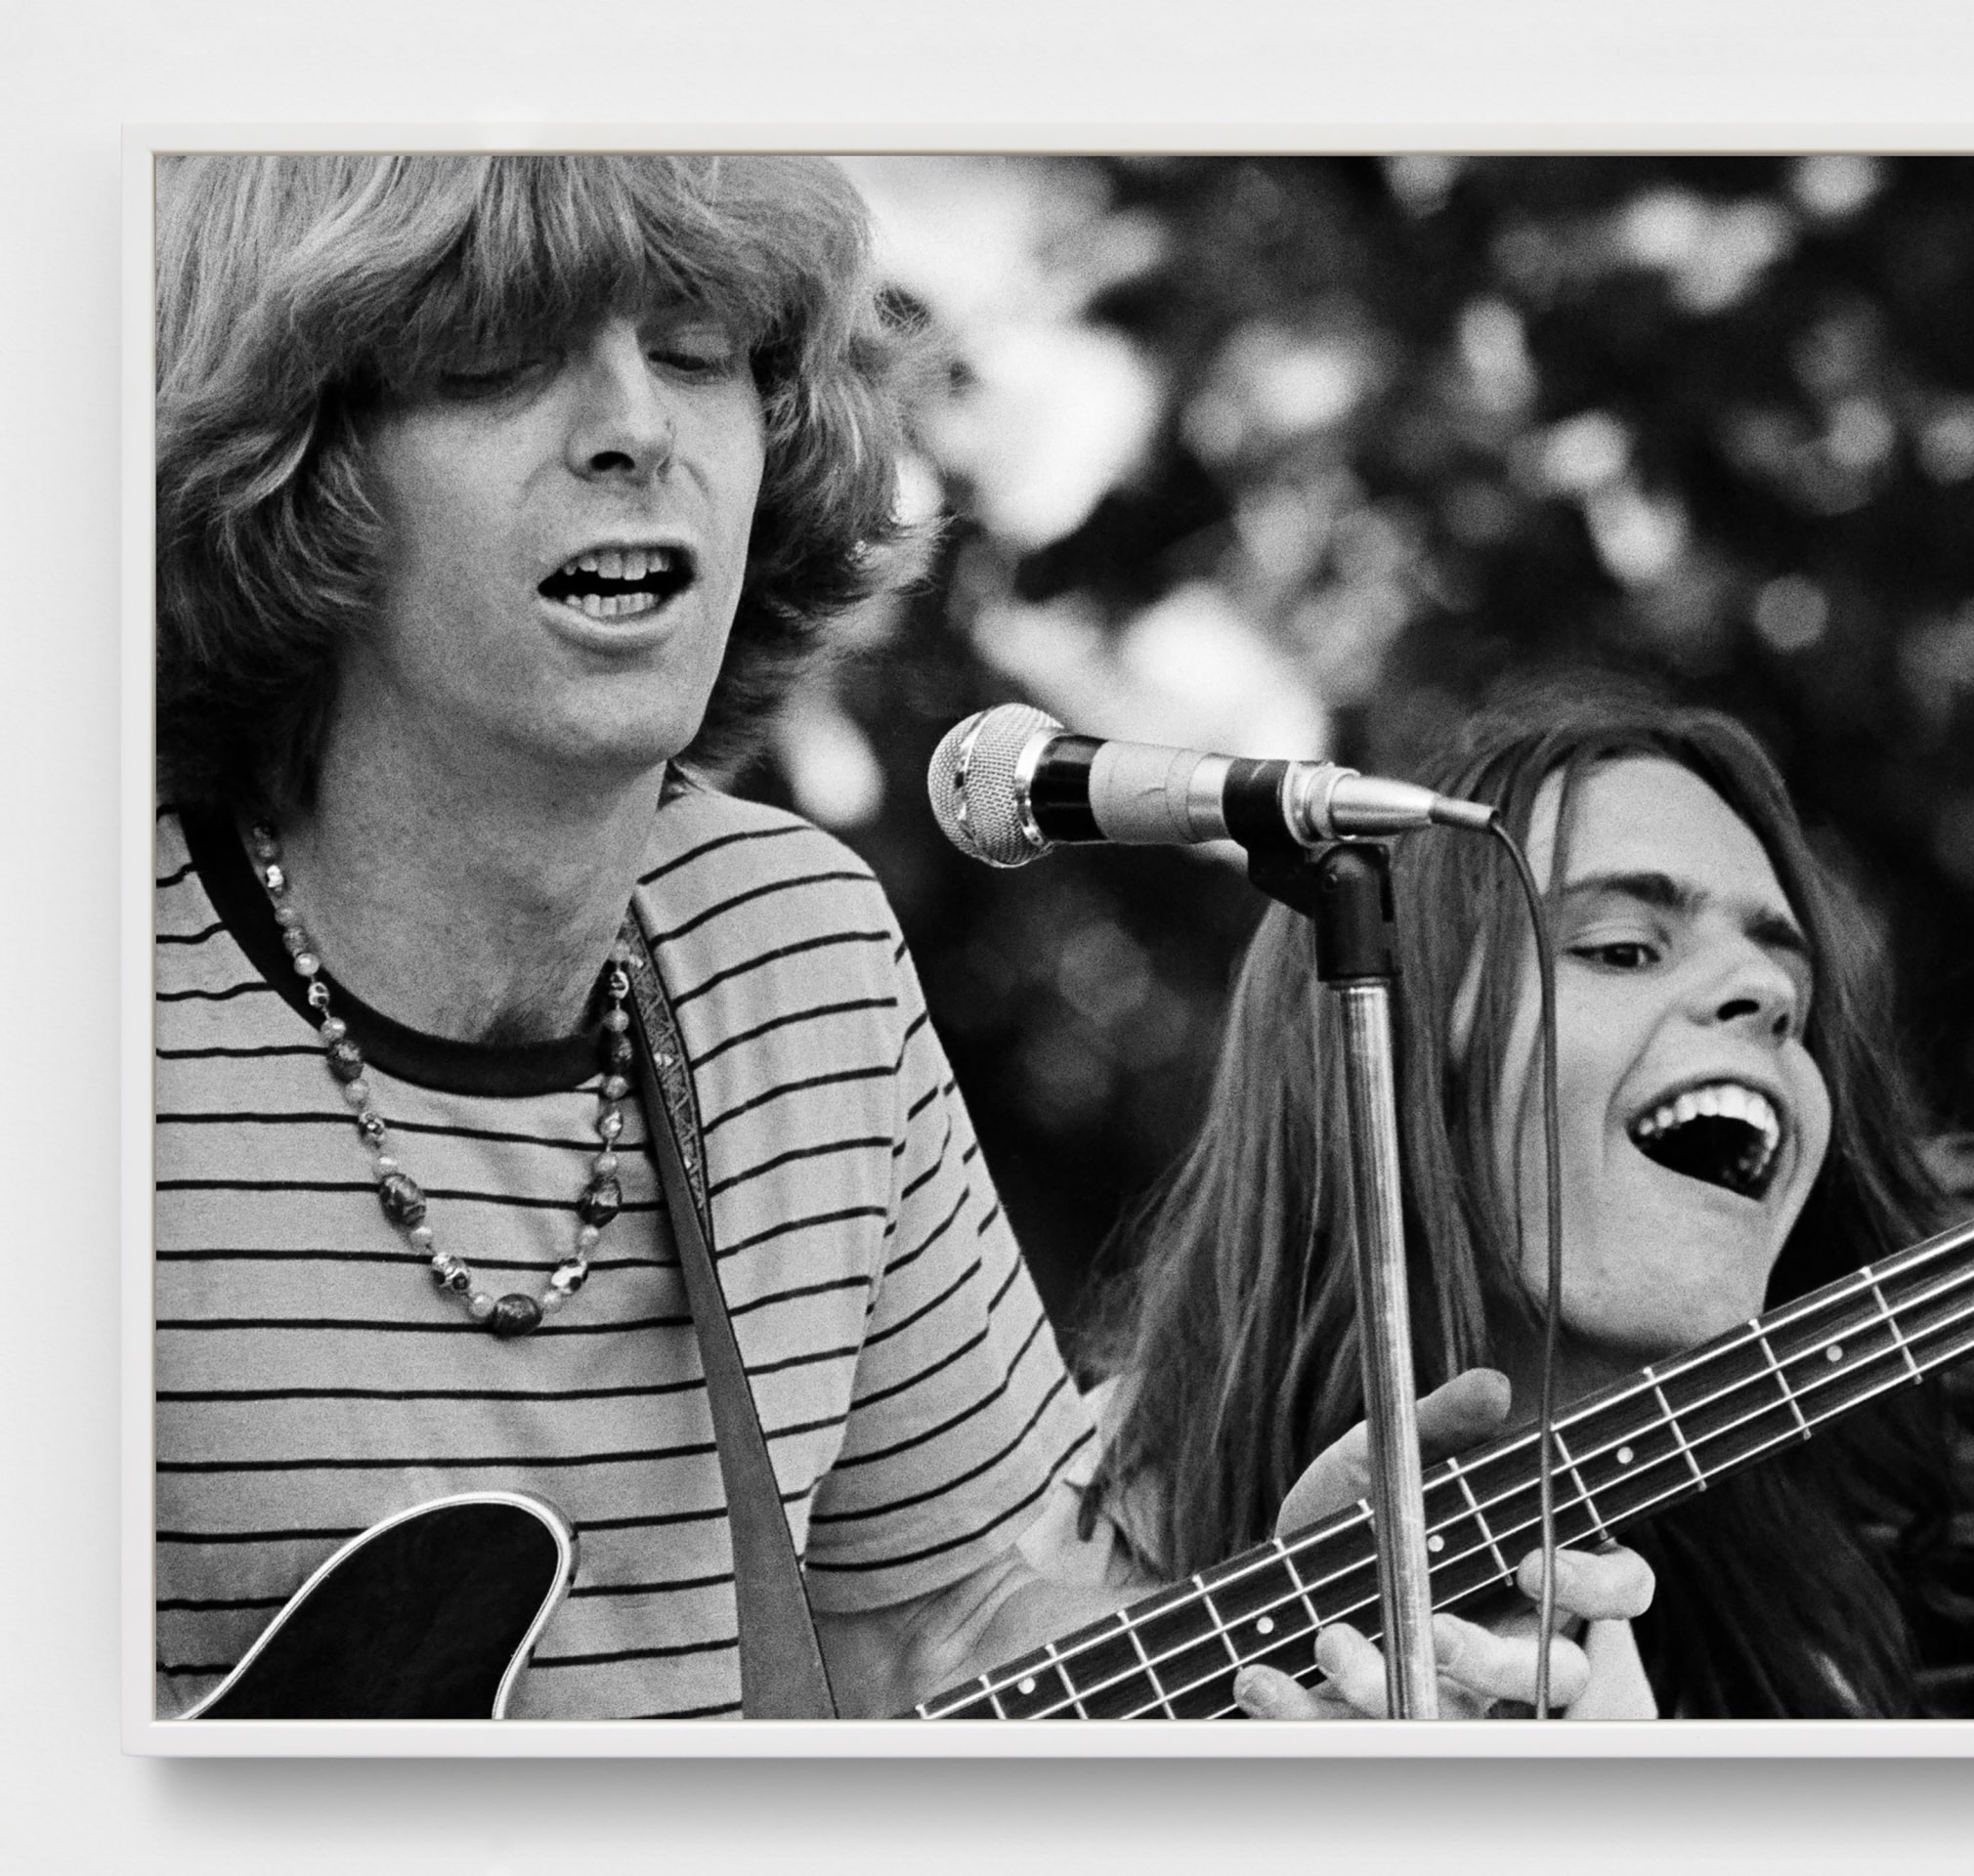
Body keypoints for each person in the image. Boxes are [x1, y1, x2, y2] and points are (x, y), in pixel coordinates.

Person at [150, 153, 1625, 1723]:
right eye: (496, 361)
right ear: (292, 456)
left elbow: (935, 1643)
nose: (636, 428)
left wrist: (1278, 1608)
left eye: (700, 350)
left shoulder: (792, 953)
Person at [1034, 686, 1974, 1717]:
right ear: (1376, 1053)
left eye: (1788, 991)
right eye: (1621, 949)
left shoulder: (1806, 1650)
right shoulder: (1039, 1551)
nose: (1765, 993)